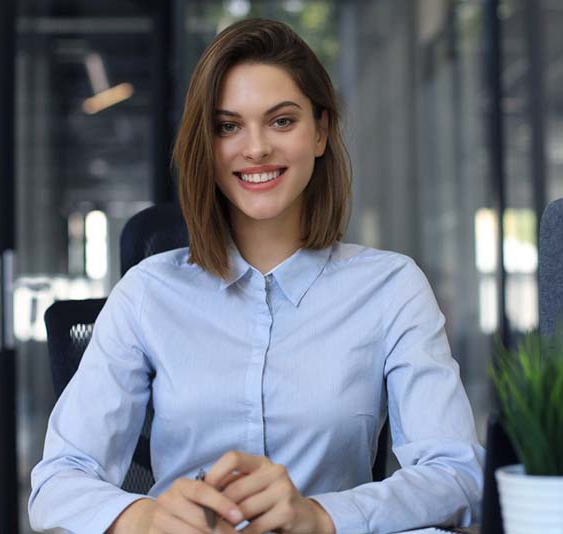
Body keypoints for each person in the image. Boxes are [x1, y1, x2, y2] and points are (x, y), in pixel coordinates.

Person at [29, 18, 484, 534]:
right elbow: (56, 483)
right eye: (228, 126)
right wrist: (149, 518)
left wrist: (320, 516)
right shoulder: (147, 293)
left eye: (282, 121)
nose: (256, 148)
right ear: (208, 143)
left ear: (321, 131)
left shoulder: (391, 288)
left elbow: (457, 475)